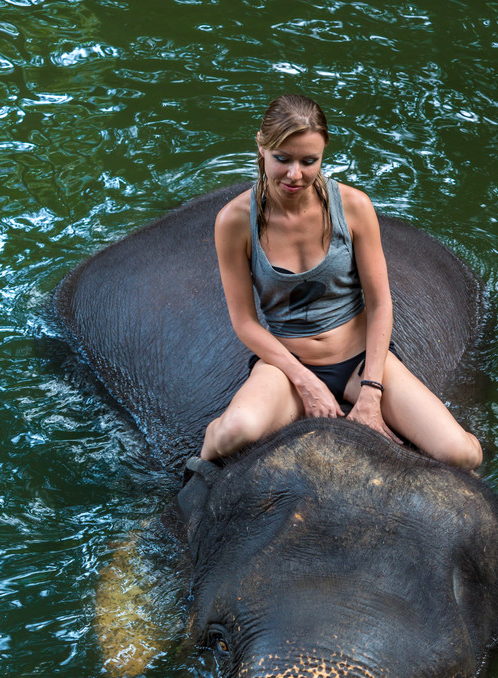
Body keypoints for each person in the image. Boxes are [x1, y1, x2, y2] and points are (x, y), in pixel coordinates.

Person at [200, 94, 482, 469]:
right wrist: (303, 381)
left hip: (358, 361)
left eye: (308, 161)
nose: (295, 175)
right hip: (287, 367)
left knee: (460, 454)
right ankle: (195, 475)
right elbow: (245, 322)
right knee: (234, 432)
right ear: (261, 147)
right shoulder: (233, 221)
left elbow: (381, 304)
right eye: (282, 159)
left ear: (323, 154)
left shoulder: (353, 207)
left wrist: (371, 392)